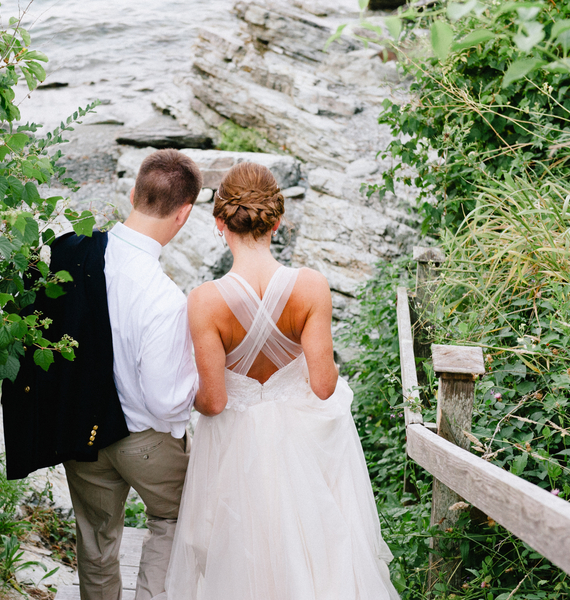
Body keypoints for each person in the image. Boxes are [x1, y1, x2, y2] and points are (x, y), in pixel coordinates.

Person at [158, 163, 399, 600]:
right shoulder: (311, 287)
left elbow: (214, 402)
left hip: (234, 454)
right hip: (302, 452)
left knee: (238, 560)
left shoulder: (205, 301)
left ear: (219, 222)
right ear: (277, 221)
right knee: (317, 559)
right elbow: (323, 386)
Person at [61, 148, 202, 600]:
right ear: (184, 214)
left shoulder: (70, 253)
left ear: (132, 194)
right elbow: (164, 401)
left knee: (96, 536)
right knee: (175, 518)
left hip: (80, 431)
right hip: (143, 440)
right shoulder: (164, 298)